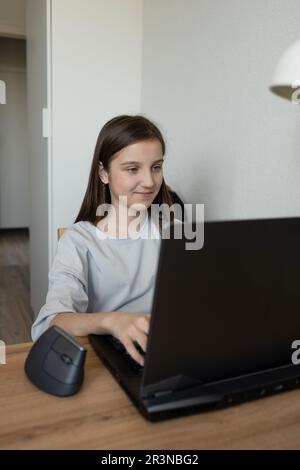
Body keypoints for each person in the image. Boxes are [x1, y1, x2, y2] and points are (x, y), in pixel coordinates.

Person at [31, 114, 176, 366]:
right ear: (104, 173)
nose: (150, 181)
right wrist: (112, 321)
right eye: (133, 169)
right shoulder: (78, 241)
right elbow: (49, 324)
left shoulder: (175, 231)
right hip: (111, 359)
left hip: (168, 352)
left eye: (156, 167)